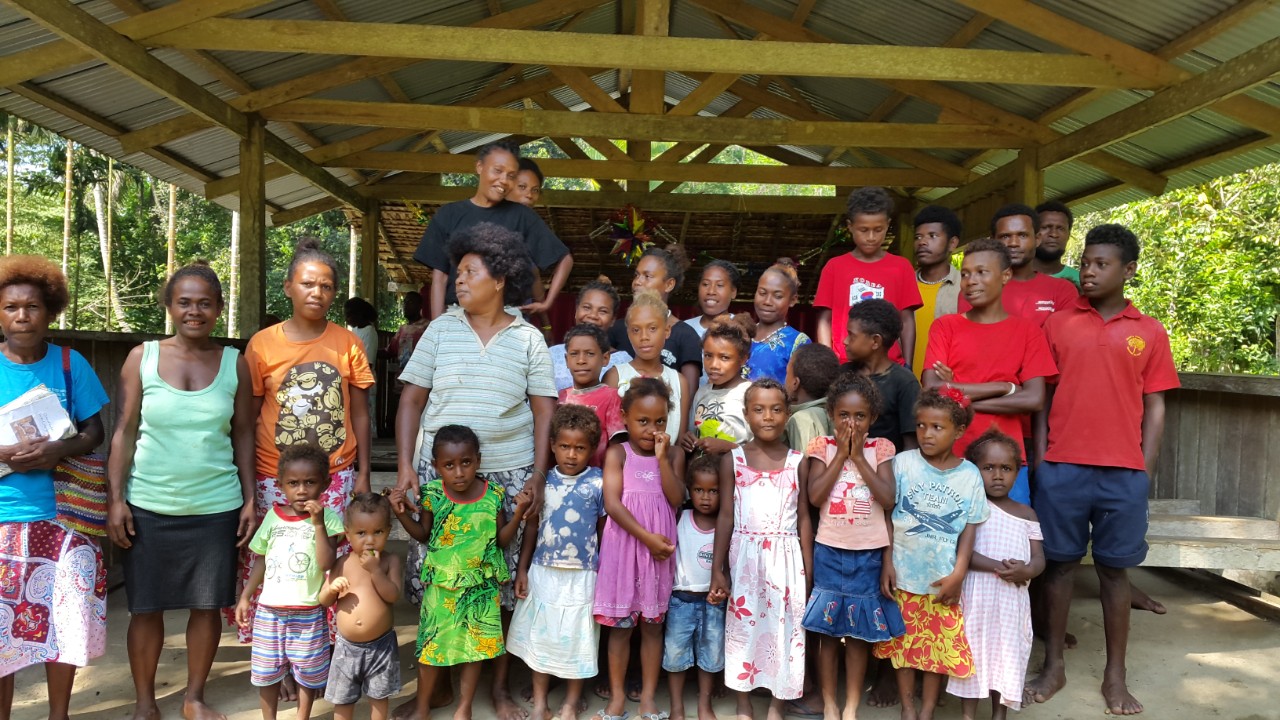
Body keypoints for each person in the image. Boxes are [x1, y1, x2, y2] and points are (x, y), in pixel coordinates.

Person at [396, 222, 556, 720]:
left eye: (470, 272)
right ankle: (437, 687)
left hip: (507, 475)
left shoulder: (529, 339)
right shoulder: (440, 329)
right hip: (440, 478)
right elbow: (412, 399)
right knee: (438, 583)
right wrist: (405, 466)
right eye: (458, 271)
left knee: (498, 585)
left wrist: (537, 474)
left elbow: (545, 410)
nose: (458, 281)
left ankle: (498, 687)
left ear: (500, 279)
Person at [1027, 224, 1180, 716]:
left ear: (1128, 270)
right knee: (1059, 567)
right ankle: (1054, 665)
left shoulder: (1149, 331)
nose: (1088, 272)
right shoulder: (1059, 324)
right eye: (1086, 263)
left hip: (1122, 474)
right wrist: (1044, 457)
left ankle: (1116, 675)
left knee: (1116, 573)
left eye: (1101, 264)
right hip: (1062, 467)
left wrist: (1144, 468)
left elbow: (1155, 405)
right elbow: (1041, 399)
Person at [107, 262, 256, 720]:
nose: (195, 311)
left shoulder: (235, 362)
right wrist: (116, 499)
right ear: (169, 307)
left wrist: (250, 499)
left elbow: (244, 434)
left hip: (216, 505)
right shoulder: (143, 357)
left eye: (205, 303)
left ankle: (193, 698)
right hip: (149, 504)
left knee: (206, 607)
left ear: (219, 308)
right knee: (146, 609)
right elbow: (124, 431)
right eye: (185, 302)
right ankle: (146, 703)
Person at [235, 238, 375, 645]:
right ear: (288, 287)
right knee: (274, 562)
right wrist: (248, 488)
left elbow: (361, 412)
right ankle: (273, 651)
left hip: (335, 476)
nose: (317, 293)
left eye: (327, 286)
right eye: (308, 284)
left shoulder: (347, 342)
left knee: (327, 561)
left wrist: (364, 472)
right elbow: (246, 420)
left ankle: (321, 648)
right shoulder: (263, 344)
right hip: (273, 477)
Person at [0, 255, 108, 720]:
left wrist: (58, 451)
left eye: (33, 307)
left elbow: (95, 430)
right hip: (4, 518)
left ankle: (58, 715)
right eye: (10, 307)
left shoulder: (70, 363)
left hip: (67, 519)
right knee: (2, 633)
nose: (22, 316)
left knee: (65, 626)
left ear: (50, 312)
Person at [390, 425, 533, 720]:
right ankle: (422, 705)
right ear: (436, 466)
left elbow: (501, 540)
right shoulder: (432, 494)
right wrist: (402, 514)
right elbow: (424, 535)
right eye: (449, 465)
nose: (458, 472)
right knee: (430, 648)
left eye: (465, 463)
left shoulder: (493, 495)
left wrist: (518, 514)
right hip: (441, 586)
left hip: (480, 588)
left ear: (478, 461)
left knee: (474, 650)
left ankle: (464, 707)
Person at [874, 388, 988, 720]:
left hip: (942, 581)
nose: (927, 434)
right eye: (921, 426)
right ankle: (908, 708)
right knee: (905, 647)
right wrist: (887, 562)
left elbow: (969, 528)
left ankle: (926, 710)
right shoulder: (903, 464)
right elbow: (887, 516)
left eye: (937, 427)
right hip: (904, 576)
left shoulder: (969, 476)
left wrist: (959, 572)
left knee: (937, 650)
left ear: (959, 431)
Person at [921, 238, 1057, 505]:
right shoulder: (944, 327)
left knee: (1007, 544)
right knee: (949, 545)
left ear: (1006, 276)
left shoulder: (1027, 332)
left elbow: (1034, 399)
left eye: (981, 272)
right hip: (951, 458)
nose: (970, 281)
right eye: (966, 274)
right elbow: (933, 390)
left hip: (1006, 465)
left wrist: (958, 395)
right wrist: (1004, 387)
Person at [801, 373, 903, 720]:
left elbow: (888, 500)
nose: (851, 423)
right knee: (828, 634)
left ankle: (851, 706)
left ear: (872, 418)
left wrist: (858, 458)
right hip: (829, 551)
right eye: (844, 415)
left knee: (859, 636)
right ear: (831, 413)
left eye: (860, 416)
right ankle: (830, 703)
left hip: (869, 556)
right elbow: (815, 497)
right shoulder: (821, 448)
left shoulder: (882, 450)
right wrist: (840, 455)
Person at [710, 379, 812, 720]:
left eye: (776, 409)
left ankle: (776, 703)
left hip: (786, 558)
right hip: (745, 558)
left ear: (787, 414)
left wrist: (808, 570)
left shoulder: (799, 461)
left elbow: (804, 519)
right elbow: (725, 516)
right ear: (746, 415)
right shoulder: (733, 459)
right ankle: (742, 704)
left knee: (786, 627)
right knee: (743, 627)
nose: (767, 416)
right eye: (759, 409)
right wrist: (718, 569)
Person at [509, 405, 606, 720]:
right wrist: (523, 569)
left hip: (583, 575)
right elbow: (533, 527)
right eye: (564, 446)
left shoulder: (599, 483)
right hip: (544, 571)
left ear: (592, 449)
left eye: (580, 448)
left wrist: (604, 572)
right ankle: (540, 703)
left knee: (579, 638)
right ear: (552, 445)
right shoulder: (544, 482)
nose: (572, 454)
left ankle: (569, 703)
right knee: (542, 636)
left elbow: (604, 532)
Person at [235, 444, 345, 720]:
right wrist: (247, 595)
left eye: (310, 482)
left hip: (308, 612)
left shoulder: (329, 519)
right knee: (266, 671)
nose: (302, 490)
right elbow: (261, 558)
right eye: (293, 483)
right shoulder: (273, 516)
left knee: (309, 670)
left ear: (326, 484)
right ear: (280, 485)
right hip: (269, 611)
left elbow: (325, 563)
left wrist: (318, 524)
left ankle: (302, 716)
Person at [594, 378, 683, 720]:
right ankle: (617, 698)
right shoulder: (619, 453)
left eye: (659, 421)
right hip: (626, 548)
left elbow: (676, 498)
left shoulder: (672, 455)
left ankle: (647, 698)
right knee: (619, 628)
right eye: (643, 421)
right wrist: (646, 538)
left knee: (652, 626)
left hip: (657, 554)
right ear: (625, 418)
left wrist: (662, 460)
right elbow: (613, 505)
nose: (651, 429)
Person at [415, 141, 573, 320]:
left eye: (511, 175)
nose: (504, 180)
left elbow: (564, 258)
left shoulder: (522, 216)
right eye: (498, 171)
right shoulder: (449, 214)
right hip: (459, 316)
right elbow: (440, 277)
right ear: (480, 167)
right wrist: (438, 327)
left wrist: (548, 302)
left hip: (507, 317)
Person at [948, 429, 1044, 720]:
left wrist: (1027, 570)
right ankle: (968, 715)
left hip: (1010, 604)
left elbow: (1039, 559)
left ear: (1018, 471)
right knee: (973, 653)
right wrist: (1000, 567)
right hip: (976, 599)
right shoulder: (971, 509)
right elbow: (962, 554)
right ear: (973, 469)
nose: (998, 475)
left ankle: (998, 715)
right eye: (988, 468)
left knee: (1006, 656)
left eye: (1006, 468)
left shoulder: (1027, 514)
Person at [319, 493, 404, 720]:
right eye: (361, 533)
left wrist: (375, 570)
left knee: (379, 697)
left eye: (378, 532)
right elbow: (324, 600)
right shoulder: (342, 562)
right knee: (343, 699)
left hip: (381, 646)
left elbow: (392, 595)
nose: (370, 540)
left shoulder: (390, 561)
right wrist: (331, 588)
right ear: (348, 534)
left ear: (388, 531)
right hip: (346, 647)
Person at [815, 187, 921, 367]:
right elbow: (825, 320)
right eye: (863, 230)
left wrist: (908, 364)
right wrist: (829, 364)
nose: (871, 237)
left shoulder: (901, 267)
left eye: (878, 229)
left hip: (889, 365)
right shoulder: (834, 267)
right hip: (844, 364)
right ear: (850, 226)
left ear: (887, 224)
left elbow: (907, 319)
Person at [664, 454, 727, 720]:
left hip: (713, 604)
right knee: (675, 656)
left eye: (714, 491)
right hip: (680, 601)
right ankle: (677, 705)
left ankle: (704, 704)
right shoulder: (681, 518)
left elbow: (730, 566)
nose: (705, 497)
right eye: (699, 490)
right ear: (690, 489)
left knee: (710, 656)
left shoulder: (726, 526)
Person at [608, 244, 702, 399]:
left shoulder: (686, 335)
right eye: (636, 275)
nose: (637, 282)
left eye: (647, 276)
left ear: (669, 284)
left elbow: (688, 396)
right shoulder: (617, 329)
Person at [604, 290, 690, 458]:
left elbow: (679, 441)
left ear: (667, 330)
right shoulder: (615, 377)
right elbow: (608, 437)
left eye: (652, 328)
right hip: (624, 470)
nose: (644, 337)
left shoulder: (679, 382)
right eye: (636, 330)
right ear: (628, 334)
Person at [844, 299, 920, 452]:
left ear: (875, 341)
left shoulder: (905, 383)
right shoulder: (842, 374)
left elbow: (911, 445)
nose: (845, 341)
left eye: (851, 336)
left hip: (886, 471)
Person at [990, 204, 1078, 329]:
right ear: (993, 241)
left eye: (1022, 235)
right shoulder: (977, 286)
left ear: (1037, 239)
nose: (1014, 243)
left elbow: (1066, 341)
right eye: (1005, 236)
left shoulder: (1062, 290)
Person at [680, 316, 754, 456]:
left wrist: (728, 447)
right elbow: (693, 431)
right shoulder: (701, 393)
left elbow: (764, 448)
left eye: (724, 357)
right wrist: (688, 440)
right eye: (708, 355)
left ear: (743, 359)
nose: (714, 365)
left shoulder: (750, 394)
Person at [912, 205, 970, 379]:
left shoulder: (966, 287)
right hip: (904, 391)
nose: (922, 242)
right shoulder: (903, 285)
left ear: (952, 243)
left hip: (948, 390)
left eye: (932, 236)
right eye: (918, 237)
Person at [558, 324, 625, 468]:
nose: (581, 360)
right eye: (574, 354)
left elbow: (617, 447)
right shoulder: (560, 398)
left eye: (590, 353)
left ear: (605, 358)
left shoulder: (611, 397)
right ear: (566, 359)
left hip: (599, 479)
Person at [550, 280, 632, 393]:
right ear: (576, 310)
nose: (593, 316)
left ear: (613, 320)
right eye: (587, 308)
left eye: (602, 311)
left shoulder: (624, 362)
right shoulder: (551, 354)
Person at [505, 157, 554, 338]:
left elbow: (534, 277)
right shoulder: (483, 227)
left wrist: (546, 326)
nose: (529, 195)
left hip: (519, 329)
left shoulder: (529, 231)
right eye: (522, 187)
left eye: (535, 190)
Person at [746, 260, 810, 383]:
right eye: (762, 293)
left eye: (778, 296)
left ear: (792, 300)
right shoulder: (741, 334)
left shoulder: (797, 343)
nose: (767, 301)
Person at [783, 343, 839, 453]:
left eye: (787, 373)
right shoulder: (836, 411)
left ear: (795, 383)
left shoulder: (801, 419)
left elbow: (804, 464)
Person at [345, 296, 380, 437]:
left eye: (349, 315)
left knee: (367, 414)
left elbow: (368, 361)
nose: (347, 319)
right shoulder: (354, 332)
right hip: (353, 379)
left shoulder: (369, 332)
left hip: (366, 380)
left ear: (358, 314)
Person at [684, 259, 740, 340]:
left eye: (719, 285)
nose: (711, 291)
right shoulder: (684, 329)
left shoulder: (741, 330)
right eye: (705, 284)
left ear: (733, 292)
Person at [1032, 201, 1079, 287]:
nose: (1053, 234)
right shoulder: (1009, 278)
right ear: (1033, 233)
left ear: (1068, 235)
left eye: (1060, 229)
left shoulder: (1081, 281)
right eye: (1045, 227)